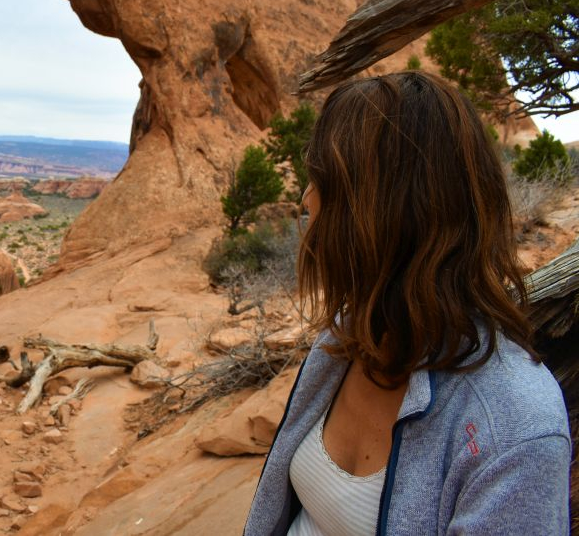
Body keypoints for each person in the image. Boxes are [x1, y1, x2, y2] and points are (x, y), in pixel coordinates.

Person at [242, 72, 570, 535]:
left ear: (384, 212)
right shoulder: (348, 335)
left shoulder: (513, 429)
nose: (306, 198)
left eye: (322, 180)